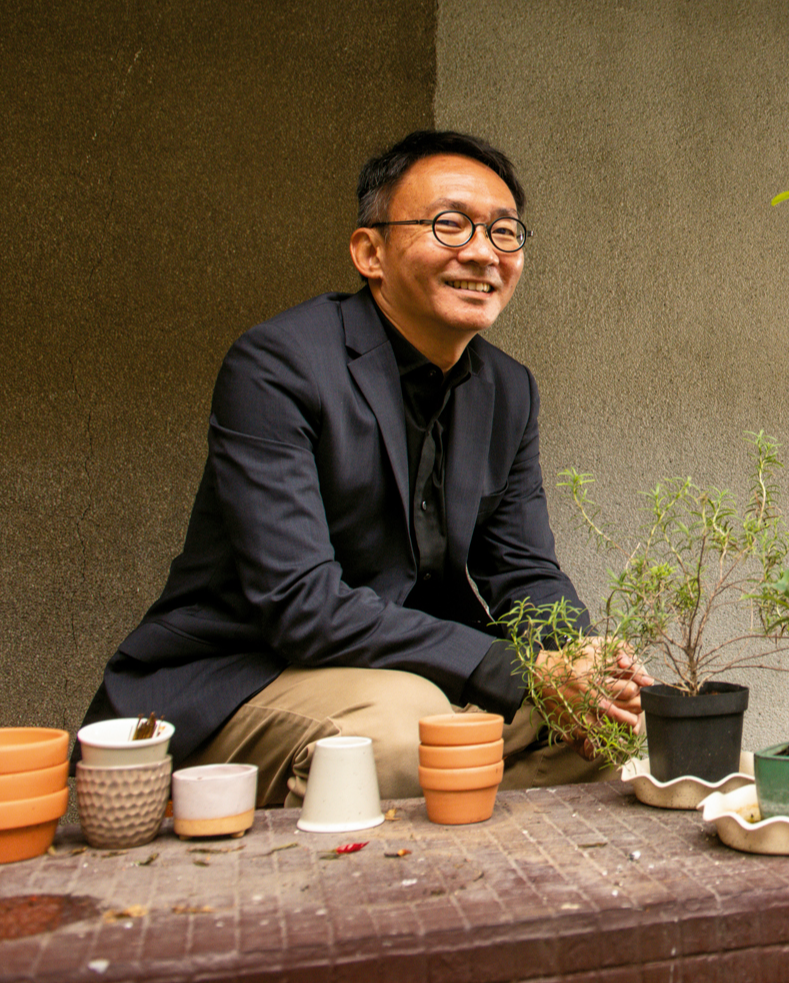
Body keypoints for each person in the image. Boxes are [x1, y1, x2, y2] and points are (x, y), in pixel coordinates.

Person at [84, 130, 649, 806]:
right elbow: (302, 604)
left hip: (415, 672)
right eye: (450, 224)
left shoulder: (509, 389)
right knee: (405, 733)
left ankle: (462, 835)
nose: (482, 252)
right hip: (244, 673)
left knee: (603, 726)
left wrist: (580, 660)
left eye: (504, 232)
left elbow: (523, 571)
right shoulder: (278, 365)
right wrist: (512, 669)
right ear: (369, 253)